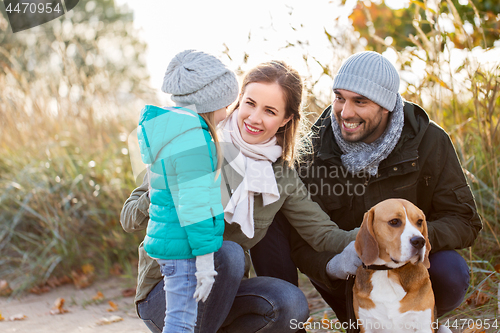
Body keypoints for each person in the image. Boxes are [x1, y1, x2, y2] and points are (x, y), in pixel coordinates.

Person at [122, 59, 359, 333]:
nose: (255, 117)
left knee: (290, 302)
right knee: (228, 253)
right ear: (238, 100)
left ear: (285, 120)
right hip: (166, 292)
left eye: (270, 111)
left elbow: (323, 234)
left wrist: (383, 235)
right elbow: (129, 220)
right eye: (250, 103)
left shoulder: (280, 177)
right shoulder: (194, 144)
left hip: (222, 298)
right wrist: (164, 185)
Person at [250, 51, 483, 329]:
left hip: (412, 269)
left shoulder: (429, 141)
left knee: (451, 271)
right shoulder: (313, 148)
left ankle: (416, 319)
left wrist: (408, 240)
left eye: (360, 101)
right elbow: (301, 238)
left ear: (386, 105)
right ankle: (285, 320)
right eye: (339, 98)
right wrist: (335, 265)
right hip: (347, 275)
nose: (346, 112)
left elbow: (464, 220)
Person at [136, 49, 239, 333]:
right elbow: (195, 205)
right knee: (180, 321)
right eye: (227, 103)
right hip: (182, 249)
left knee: (181, 319)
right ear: (211, 101)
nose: (229, 110)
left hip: (170, 242)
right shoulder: (193, 139)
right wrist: (205, 262)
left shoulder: (173, 131)